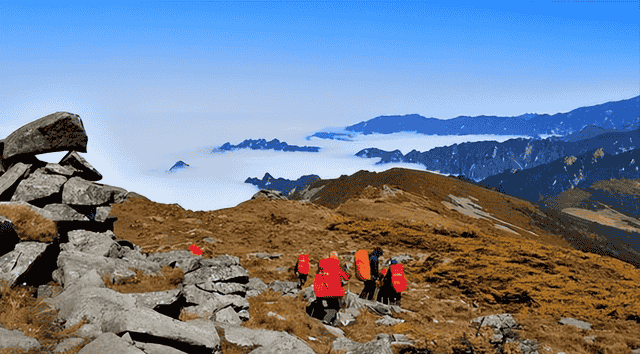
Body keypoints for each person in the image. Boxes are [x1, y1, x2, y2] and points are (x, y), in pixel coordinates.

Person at [314, 251, 350, 325]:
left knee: (327, 305)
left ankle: (328, 320)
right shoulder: (337, 265)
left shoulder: (322, 264)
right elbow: (346, 277)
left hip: (321, 290)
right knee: (335, 307)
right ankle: (327, 320)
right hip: (332, 291)